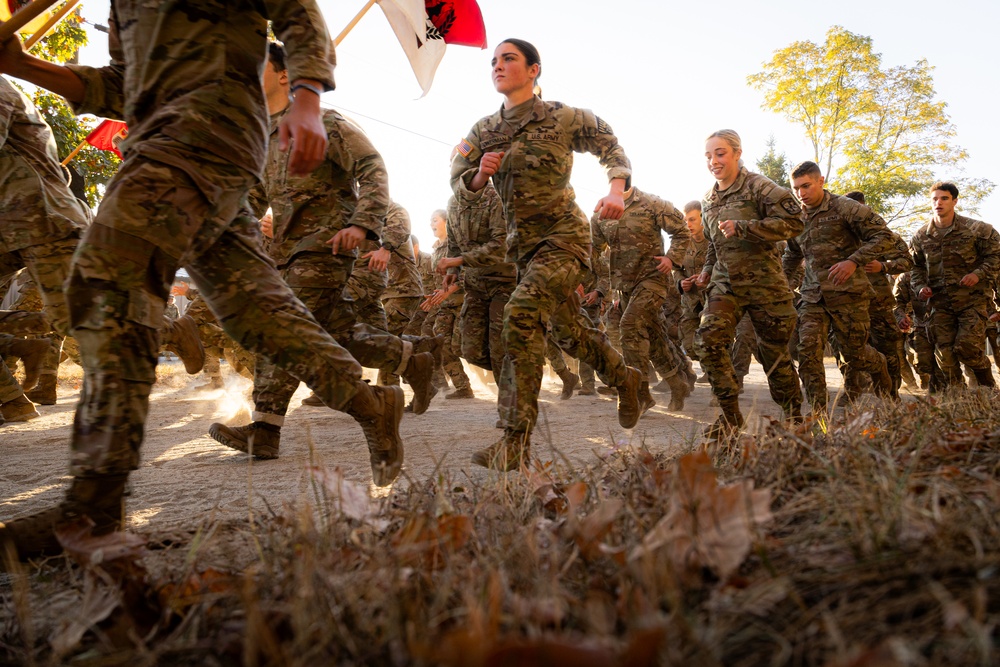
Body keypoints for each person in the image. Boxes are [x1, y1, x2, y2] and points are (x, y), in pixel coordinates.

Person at [0, 2, 405, 563]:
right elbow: (123, 84)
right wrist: (24, 66)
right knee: (253, 309)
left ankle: (93, 508)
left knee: (104, 280)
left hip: (207, 131)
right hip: (164, 140)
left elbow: (297, 12)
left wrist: (308, 98)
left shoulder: (324, 119)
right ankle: (368, 401)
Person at [209, 42, 437, 459]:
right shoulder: (264, 138)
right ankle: (408, 358)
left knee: (282, 328)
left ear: (284, 76)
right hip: (286, 253)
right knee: (338, 331)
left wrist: (362, 223)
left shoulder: (324, 122)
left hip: (328, 243)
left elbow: (372, 166)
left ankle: (265, 428)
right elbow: (253, 198)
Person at [451, 38, 644, 471]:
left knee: (520, 313)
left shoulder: (562, 116)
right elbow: (458, 179)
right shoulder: (483, 130)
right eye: (494, 61)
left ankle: (513, 442)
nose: (498, 66)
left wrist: (617, 188)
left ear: (534, 70)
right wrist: (479, 176)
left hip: (565, 239)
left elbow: (610, 145)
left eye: (509, 59)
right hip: (524, 250)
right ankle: (625, 379)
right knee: (570, 333)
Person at [694, 130, 803, 438]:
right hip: (725, 284)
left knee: (775, 356)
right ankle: (730, 418)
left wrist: (745, 228)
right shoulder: (708, 200)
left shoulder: (760, 187)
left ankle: (795, 421)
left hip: (765, 285)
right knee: (707, 341)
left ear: (737, 153)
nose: (713, 161)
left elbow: (795, 223)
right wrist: (706, 271)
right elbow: (714, 247)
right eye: (708, 155)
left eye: (720, 153)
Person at [782, 161, 895, 417]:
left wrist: (853, 261)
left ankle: (881, 368)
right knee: (807, 352)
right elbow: (792, 254)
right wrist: (781, 285)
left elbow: (884, 237)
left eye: (806, 186)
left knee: (856, 355)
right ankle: (819, 416)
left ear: (821, 181)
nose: (801, 193)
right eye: (796, 188)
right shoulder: (796, 218)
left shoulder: (846, 207)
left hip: (849, 294)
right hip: (813, 296)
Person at [590, 186, 692, 410]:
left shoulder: (652, 204)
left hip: (652, 279)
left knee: (629, 325)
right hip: (625, 287)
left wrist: (671, 259)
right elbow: (594, 250)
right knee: (654, 338)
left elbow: (682, 231)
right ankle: (677, 384)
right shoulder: (600, 215)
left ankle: (641, 393)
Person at [909, 182, 1000, 389]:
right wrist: (920, 287)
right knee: (945, 355)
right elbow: (915, 268)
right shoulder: (921, 236)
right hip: (939, 304)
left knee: (967, 348)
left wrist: (978, 274)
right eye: (934, 199)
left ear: (955, 201)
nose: (938, 203)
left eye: (944, 198)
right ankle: (957, 400)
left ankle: (988, 388)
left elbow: (996, 257)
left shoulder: (978, 230)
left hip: (972, 301)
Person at [420, 207, 473, 399]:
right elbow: (436, 281)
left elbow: (468, 273)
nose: (431, 224)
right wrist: (433, 296)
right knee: (437, 341)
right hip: (443, 305)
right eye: (430, 220)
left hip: (462, 301)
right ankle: (461, 387)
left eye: (435, 220)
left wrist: (450, 289)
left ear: (446, 222)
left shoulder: (455, 245)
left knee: (459, 346)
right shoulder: (435, 250)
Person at [677, 201, 709, 379]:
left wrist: (708, 278)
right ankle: (708, 366)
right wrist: (681, 283)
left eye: (692, 220)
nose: (688, 225)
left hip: (711, 300)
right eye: (685, 220)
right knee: (690, 345)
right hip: (690, 301)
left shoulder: (714, 241)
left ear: (703, 219)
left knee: (711, 340)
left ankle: (718, 377)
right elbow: (676, 270)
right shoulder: (682, 244)